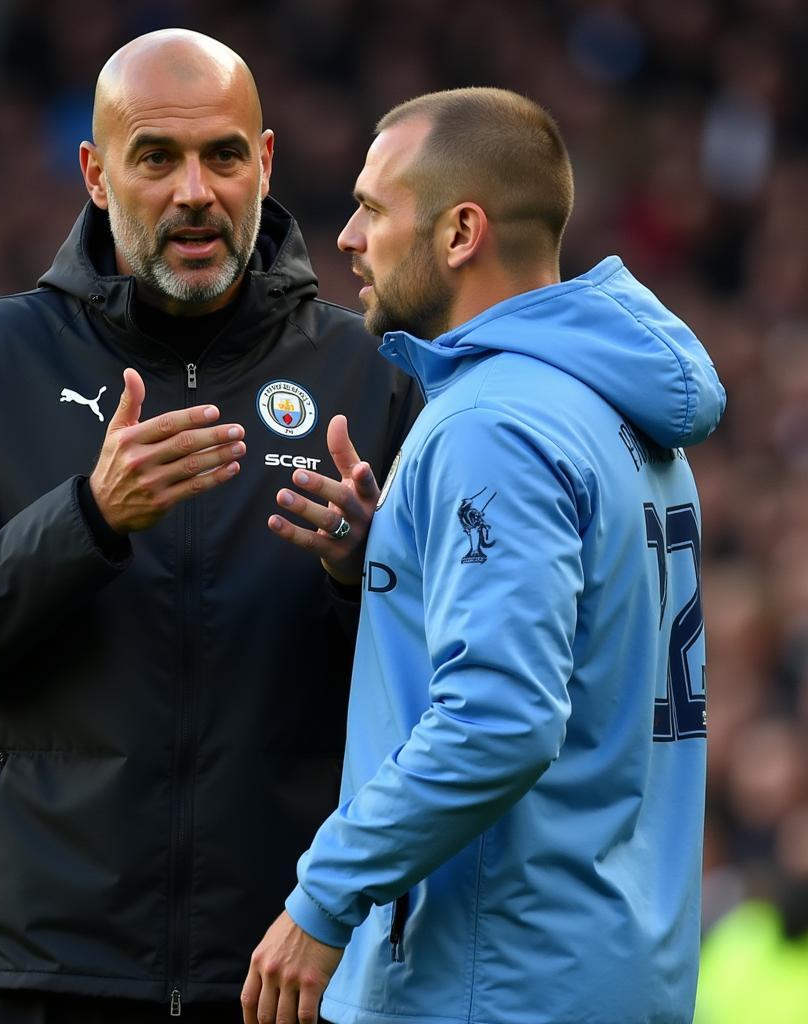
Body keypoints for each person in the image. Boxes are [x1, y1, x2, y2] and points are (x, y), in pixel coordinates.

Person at [0, 29, 417, 1024]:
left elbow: (436, 688)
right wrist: (86, 518)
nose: (195, 191)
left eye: (223, 155)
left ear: (266, 163)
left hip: (285, 969)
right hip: (41, 969)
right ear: (95, 172)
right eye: (156, 157)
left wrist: (357, 576)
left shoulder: (370, 373)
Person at [244, 87, 726, 1024]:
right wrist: (387, 563)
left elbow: (500, 720)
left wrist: (323, 898)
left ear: (461, 231)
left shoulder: (491, 424)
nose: (346, 237)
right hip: (611, 971)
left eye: (374, 209)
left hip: (492, 982)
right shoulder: (615, 409)